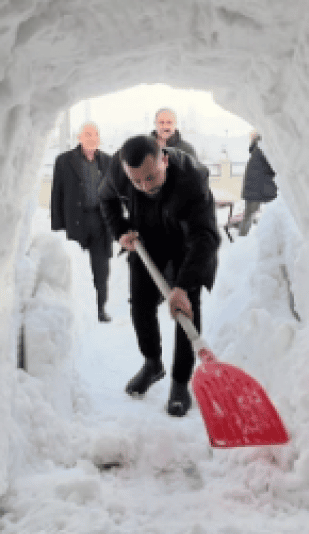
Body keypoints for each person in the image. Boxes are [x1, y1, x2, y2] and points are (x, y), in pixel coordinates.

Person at [98, 135, 221, 416]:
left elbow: (205, 237)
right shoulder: (119, 169)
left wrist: (183, 286)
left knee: (185, 308)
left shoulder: (192, 180)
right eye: (137, 181)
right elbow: (106, 199)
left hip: (186, 242)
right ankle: (152, 363)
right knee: (140, 303)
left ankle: (179, 382)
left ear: (164, 160)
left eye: (151, 178)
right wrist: (120, 232)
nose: (144, 187)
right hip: (147, 239)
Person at [51, 122, 115, 322]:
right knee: (75, 269)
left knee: (101, 270)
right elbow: (56, 196)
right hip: (75, 222)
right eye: (87, 134)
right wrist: (58, 229)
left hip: (100, 223)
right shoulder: (64, 161)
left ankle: (100, 309)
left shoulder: (108, 161)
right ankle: (76, 312)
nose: (91, 137)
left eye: (95, 134)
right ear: (79, 137)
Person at [239, 130, 277, 236]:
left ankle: (242, 238)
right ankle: (243, 239)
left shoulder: (256, 152)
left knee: (248, 215)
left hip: (253, 188)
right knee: (276, 210)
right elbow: (273, 167)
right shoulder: (262, 150)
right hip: (258, 189)